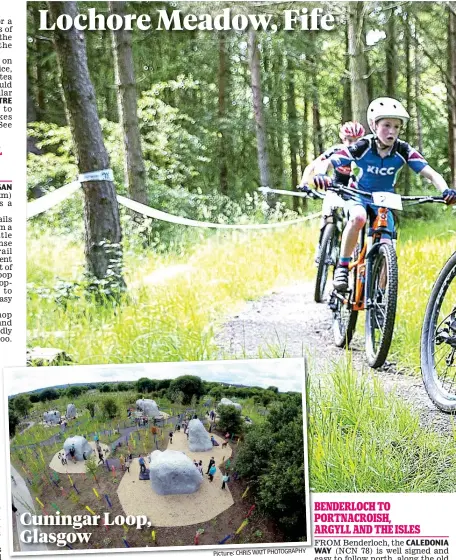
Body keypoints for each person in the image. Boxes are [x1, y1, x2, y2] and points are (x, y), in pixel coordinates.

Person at [314, 97, 456, 292]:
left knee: (388, 244)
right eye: (386, 125)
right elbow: (331, 161)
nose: (392, 132)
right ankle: (343, 267)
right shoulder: (363, 145)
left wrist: (445, 190)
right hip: (358, 194)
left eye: (397, 127)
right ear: (373, 125)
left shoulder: (402, 150)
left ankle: (381, 295)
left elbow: (430, 173)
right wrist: (321, 175)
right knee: (358, 218)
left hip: (385, 198)